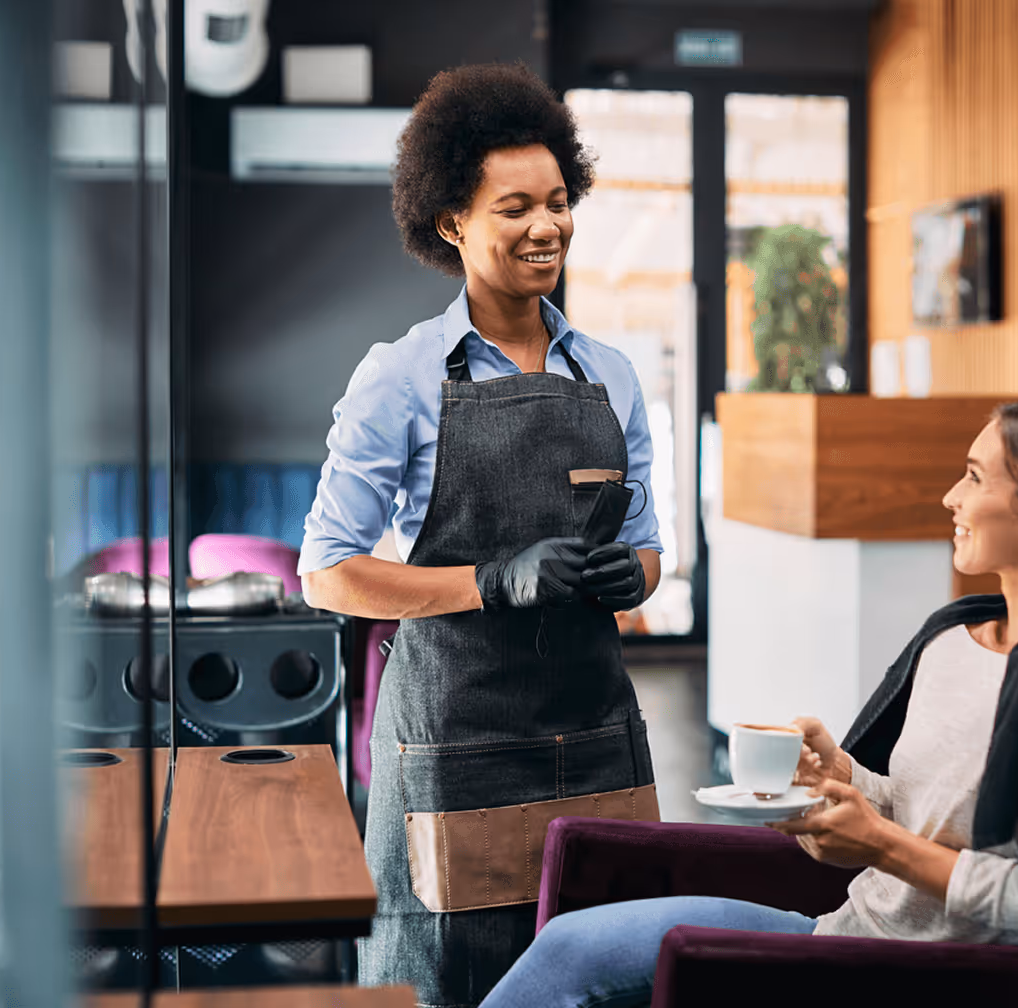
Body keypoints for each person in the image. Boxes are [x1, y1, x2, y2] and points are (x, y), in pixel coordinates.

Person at [479, 396, 1018, 1007]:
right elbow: (935, 816)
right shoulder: (953, 638)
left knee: (574, 956)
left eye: (975, 477)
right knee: (573, 944)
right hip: (851, 932)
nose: (951, 495)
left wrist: (882, 844)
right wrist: (847, 783)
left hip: (913, 973)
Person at [298, 63, 663, 1003]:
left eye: (557, 202)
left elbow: (652, 543)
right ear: (452, 222)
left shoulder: (612, 376)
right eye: (514, 209)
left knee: (606, 971)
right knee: (447, 982)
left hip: (594, 738)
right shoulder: (403, 377)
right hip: (459, 746)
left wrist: (638, 574)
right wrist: (492, 580)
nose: (546, 227)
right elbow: (328, 573)